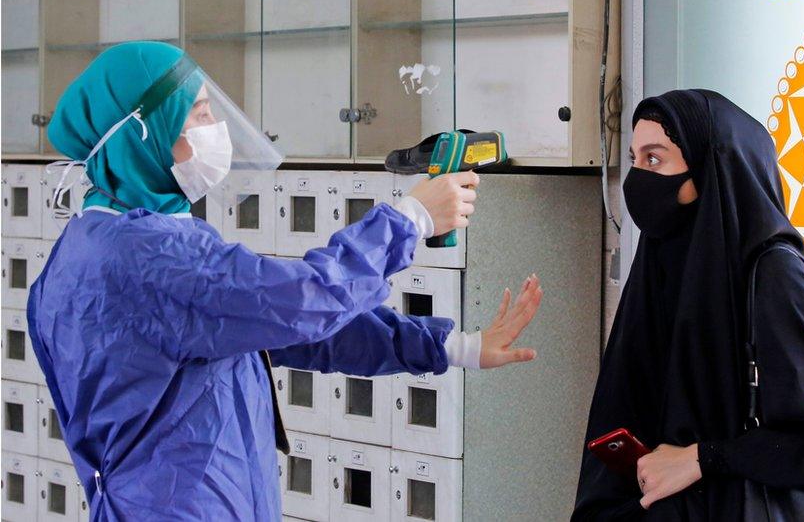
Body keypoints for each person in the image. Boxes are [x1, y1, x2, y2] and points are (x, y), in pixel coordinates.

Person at [28, 41, 542, 521]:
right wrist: (409, 220)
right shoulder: (150, 255)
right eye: (200, 113)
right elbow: (301, 302)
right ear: (147, 132)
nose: (215, 127)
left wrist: (455, 347)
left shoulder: (99, 241)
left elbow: (278, 326)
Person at [572, 89, 804, 520]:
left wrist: (702, 458)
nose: (638, 179)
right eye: (635, 159)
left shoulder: (771, 273)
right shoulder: (660, 261)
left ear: (711, 166)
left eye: (655, 159)